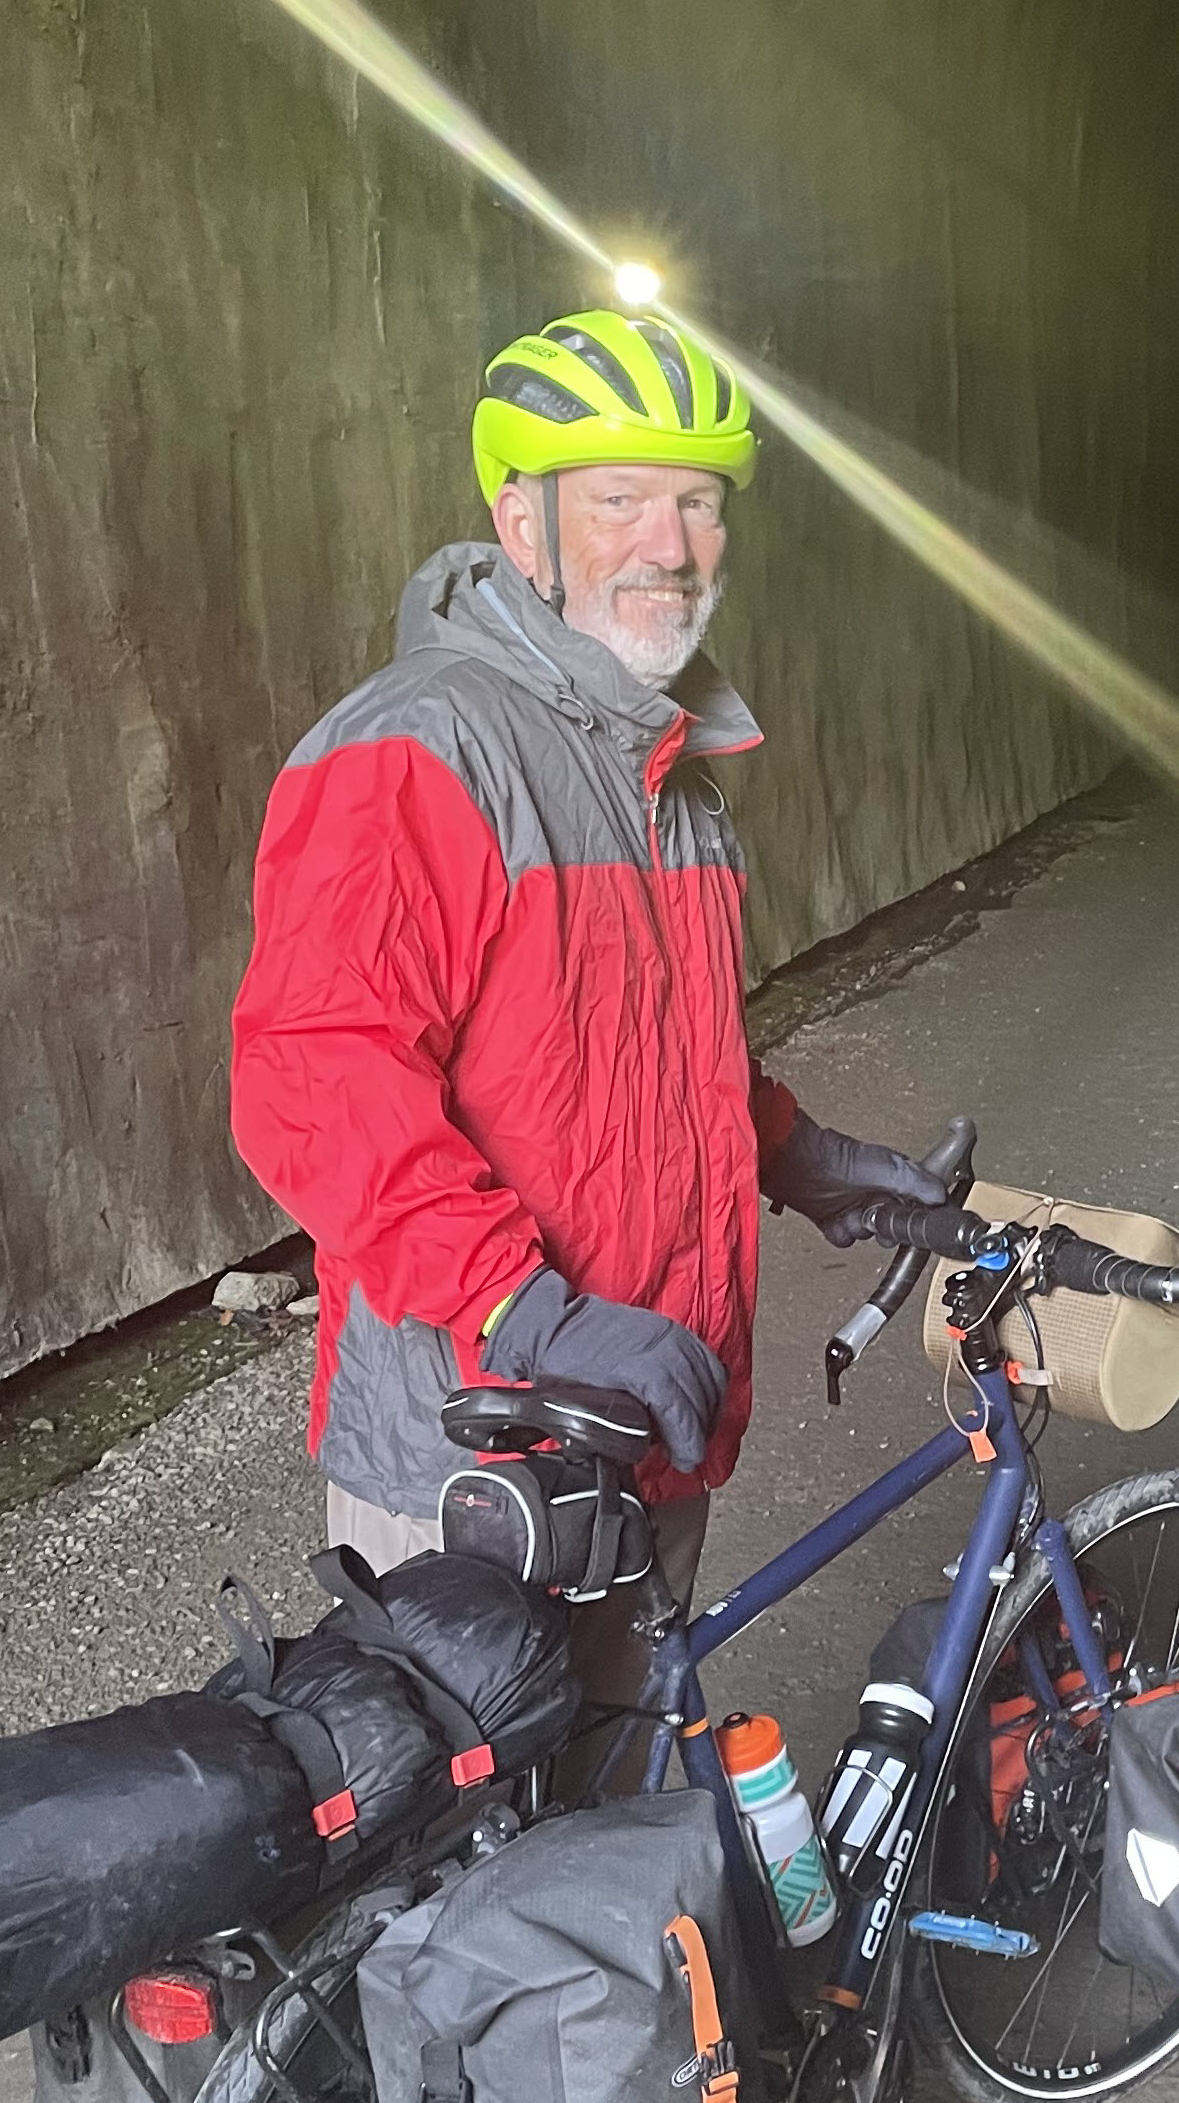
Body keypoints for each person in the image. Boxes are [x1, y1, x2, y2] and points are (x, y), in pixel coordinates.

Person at [230, 305, 938, 1698]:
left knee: (616, 1820)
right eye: (618, 498)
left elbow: (642, 1059)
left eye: (697, 500)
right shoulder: (416, 750)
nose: (667, 544)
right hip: (473, 1444)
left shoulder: (673, 782)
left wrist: (796, 1157)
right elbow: (317, 1076)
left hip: (648, 1406)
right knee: (460, 1877)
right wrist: (522, 1311)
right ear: (521, 519)